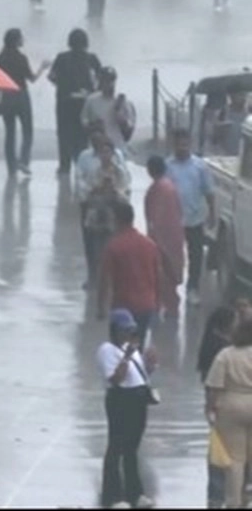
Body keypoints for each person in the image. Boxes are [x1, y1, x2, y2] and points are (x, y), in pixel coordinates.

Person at [97, 308, 155, 509]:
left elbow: (140, 375)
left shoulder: (131, 348)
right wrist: (127, 357)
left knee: (132, 448)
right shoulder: (107, 350)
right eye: (124, 330)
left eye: (130, 330)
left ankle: (135, 493)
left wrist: (149, 364)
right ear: (115, 330)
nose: (127, 334)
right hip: (121, 398)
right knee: (117, 446)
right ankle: (113, 495)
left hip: (137, 399)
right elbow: (116, 378)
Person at [98, 201, 162, 348]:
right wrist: (157, 304)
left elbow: (104, 280)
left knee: (119, 351)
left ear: (117, 220)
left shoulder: (114, 246)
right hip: (146, 306)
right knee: (137, 348)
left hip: (123, 307)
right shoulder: (149, 245)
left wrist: (101, 307)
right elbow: (158, 275)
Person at [165, 127, 216, 305]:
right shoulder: (167, 166)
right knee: (171, 256)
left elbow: (209, 191)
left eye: (186, 144)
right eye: (179, 144)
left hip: (195, 219)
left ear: (190, 144)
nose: (182, 147)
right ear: (174, 145)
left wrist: (212, 213)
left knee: (196, 256)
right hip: (173, 221)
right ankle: (170, 290)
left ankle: (192, 288)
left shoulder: (200, 166)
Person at [77, 133, 131, 291]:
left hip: (113, 213)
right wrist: (95, 189)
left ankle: (112, 278)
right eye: (102, 152)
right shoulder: (94, 171)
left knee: (113, 246)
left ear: (113, 154)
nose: (105, 155)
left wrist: (116, 191)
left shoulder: (120, 172)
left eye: (108, 152)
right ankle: (95, 277)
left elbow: (126, 189)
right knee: (94, 246)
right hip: (95, 213)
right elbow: (85, 189)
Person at [208, 318, 252, 508]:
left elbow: (214, 386)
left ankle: (234, 502)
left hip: (231, 405)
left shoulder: (225, 355)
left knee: (235, 459)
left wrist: (210, 408)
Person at [0, 28, 50, 176]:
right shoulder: (21, 58)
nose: (23, 40)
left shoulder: (1, 58)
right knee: (27, 131)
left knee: (10, 133)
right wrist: (42, 68)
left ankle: (11, 166)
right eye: (21, 38)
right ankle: (23, 161)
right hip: (21, 95)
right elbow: (32, 78)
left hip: (6, 96)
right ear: (16, 41)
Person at [199, 306, 238, 508]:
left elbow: (208, 382)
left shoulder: (210, 346)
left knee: (218, 451)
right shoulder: (224, 351)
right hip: (227, 405)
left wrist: (210, 407)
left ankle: (216, 495)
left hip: (219, 406)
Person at [49, 29, 102, 174]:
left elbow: (52, 77)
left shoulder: (61, 58)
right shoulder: (91, 59)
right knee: (83, 134)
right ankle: (81, 162)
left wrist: (63, 85)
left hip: (64, 102)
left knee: (64, 134)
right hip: (85, 102)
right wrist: (93, 91)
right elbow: (101, 77)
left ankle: (64, 165)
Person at [144, 156, 185, 318]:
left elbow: (157, 217)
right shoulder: (168, 187)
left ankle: (167, 304)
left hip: (163, 239)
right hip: (173, 237)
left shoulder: (159, 189)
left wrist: (155, 239)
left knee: (163, 273)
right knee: (169, 272)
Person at [81, 66, 136, 155]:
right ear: (100, 82)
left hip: (118, 147)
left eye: (111, 80)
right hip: (97, 148)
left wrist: (121, 119)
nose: (108, 84)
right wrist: (94, 126)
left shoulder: (123, 101)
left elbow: (129, 128)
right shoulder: (91, 100)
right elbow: (84, 122)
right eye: (104, 80)